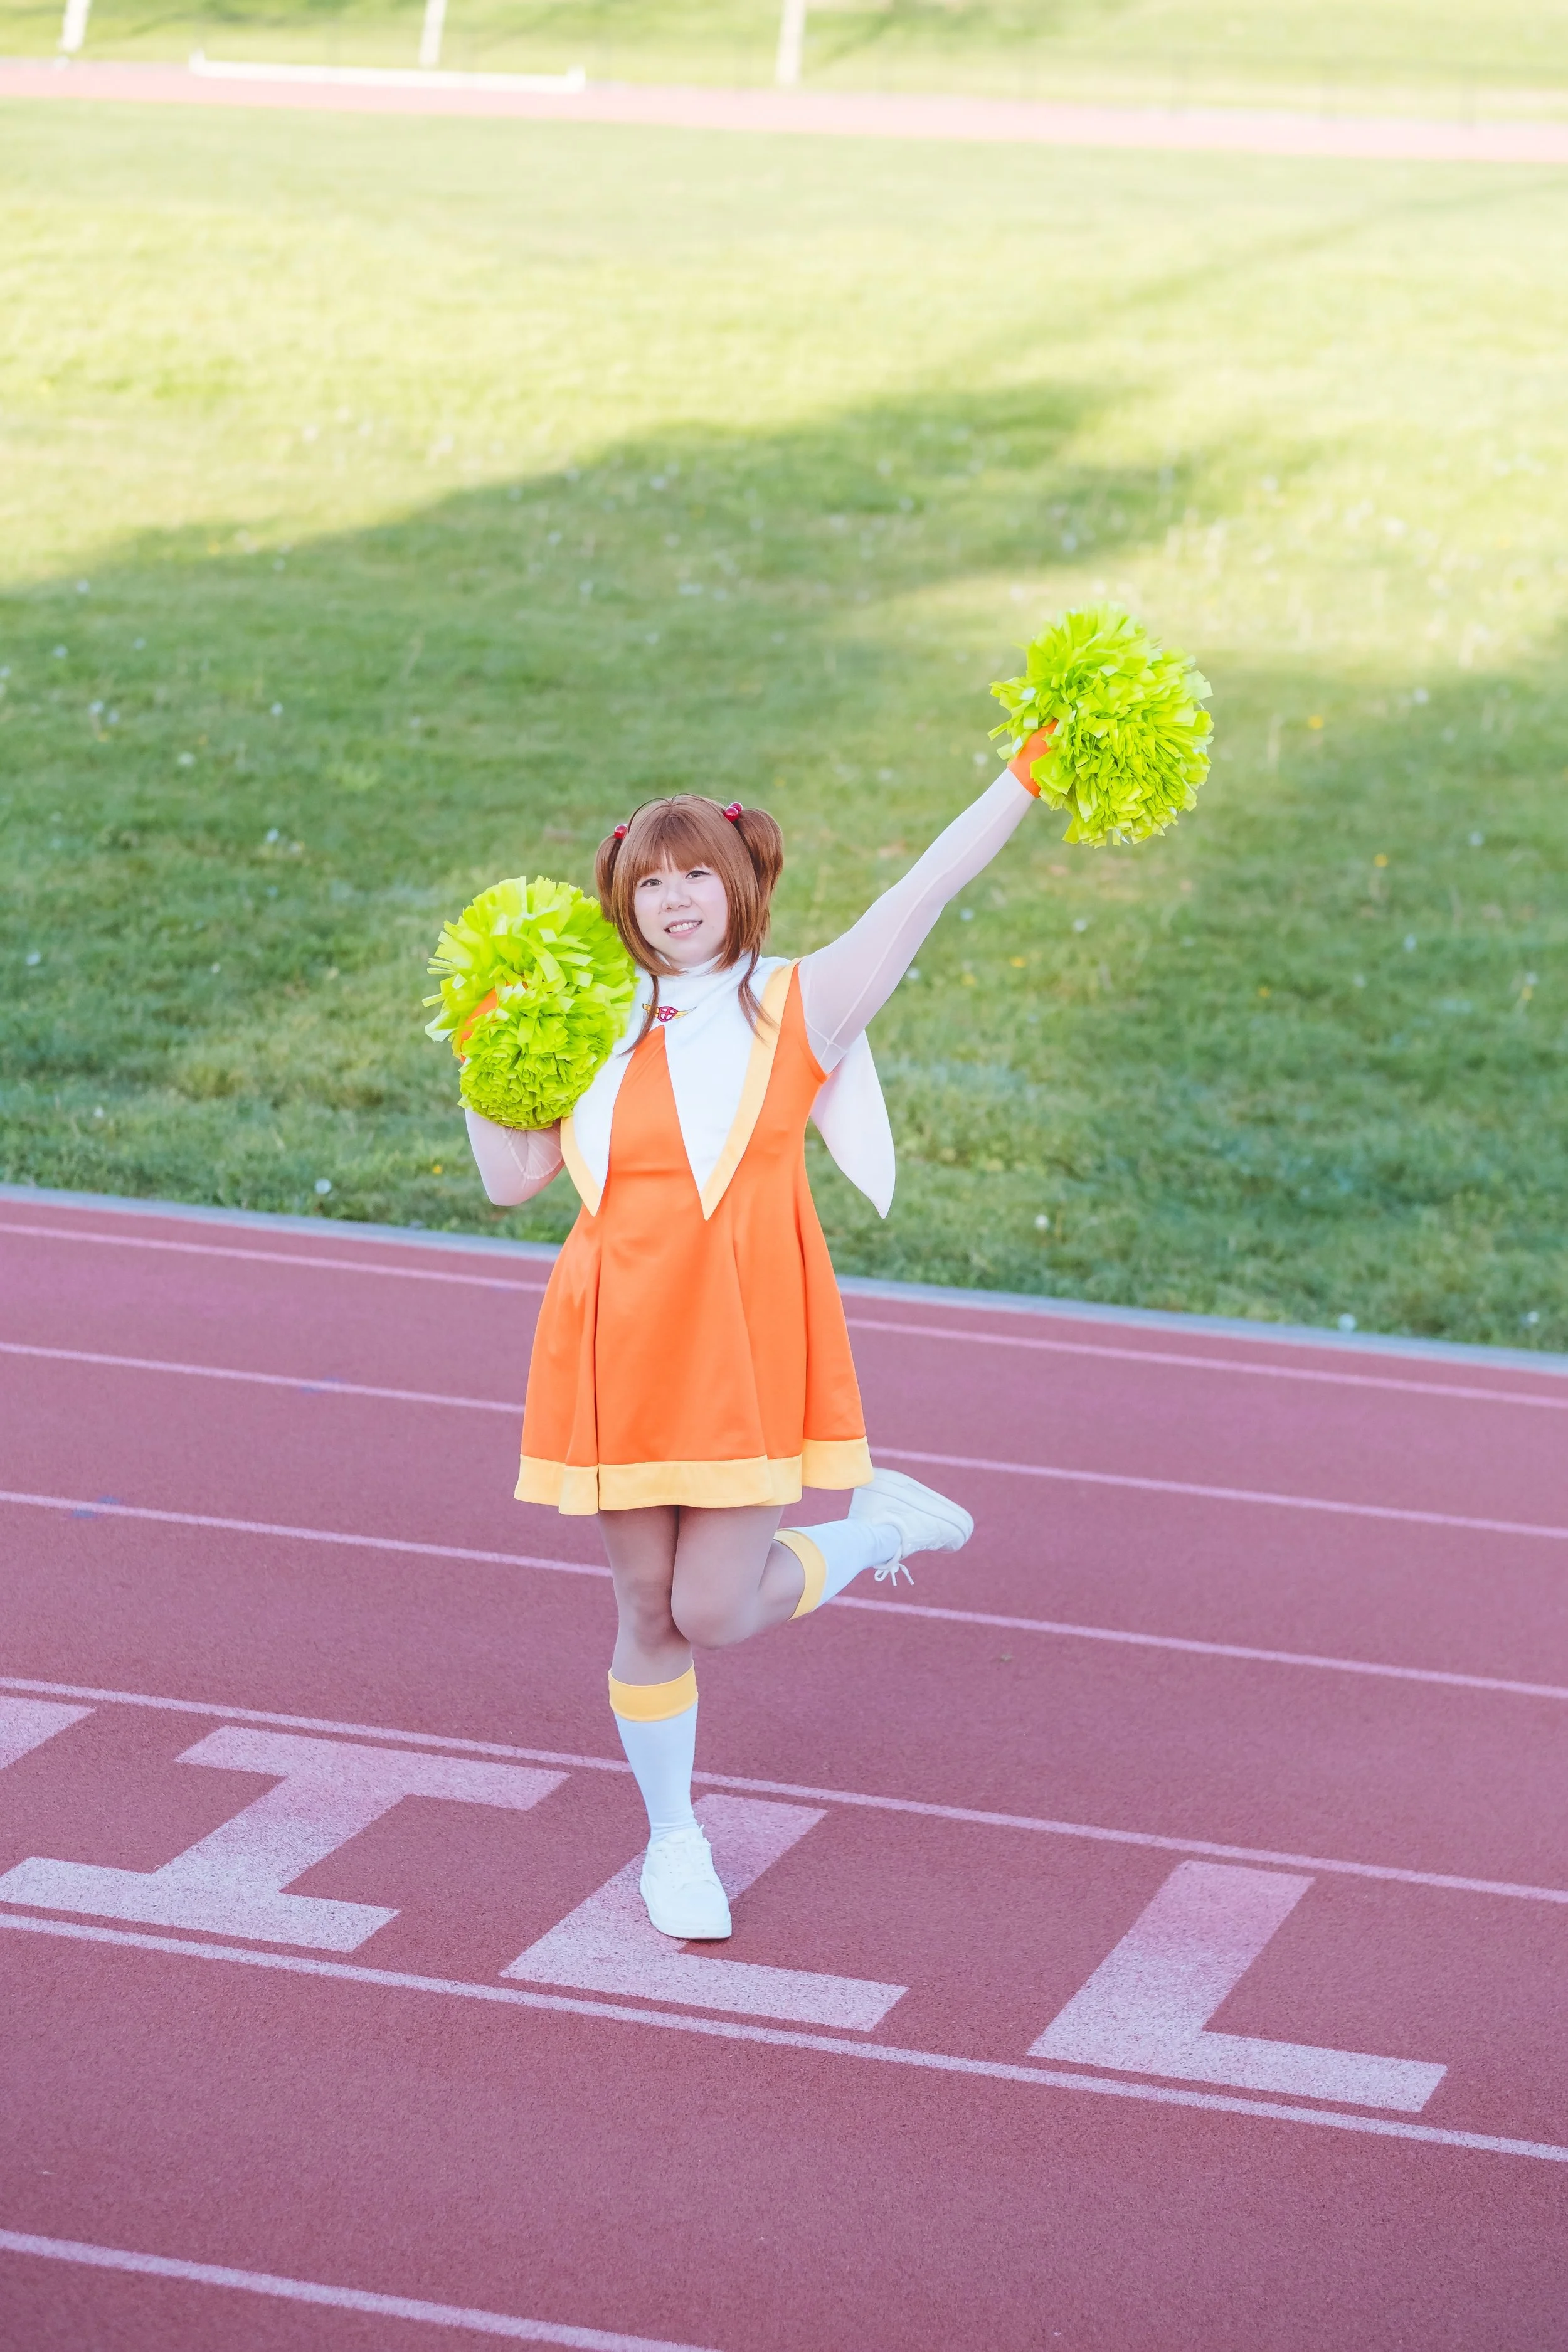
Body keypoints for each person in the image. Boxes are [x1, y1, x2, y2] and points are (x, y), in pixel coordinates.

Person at [466, 728, 1055, 1940]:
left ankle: (881, 1525)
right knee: (647, 1606)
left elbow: (924, 889)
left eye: (694, 875)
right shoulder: (591, 1019)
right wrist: (485, 1047)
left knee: (718, 1607)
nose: (674, 900)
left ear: (738, 881)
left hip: (743, 1339)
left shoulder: (804, 998)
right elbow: (510, 1180)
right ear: (622, 903)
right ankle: (675, 1840)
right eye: (649, 883)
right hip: (614, 1336)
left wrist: (1024, 776)